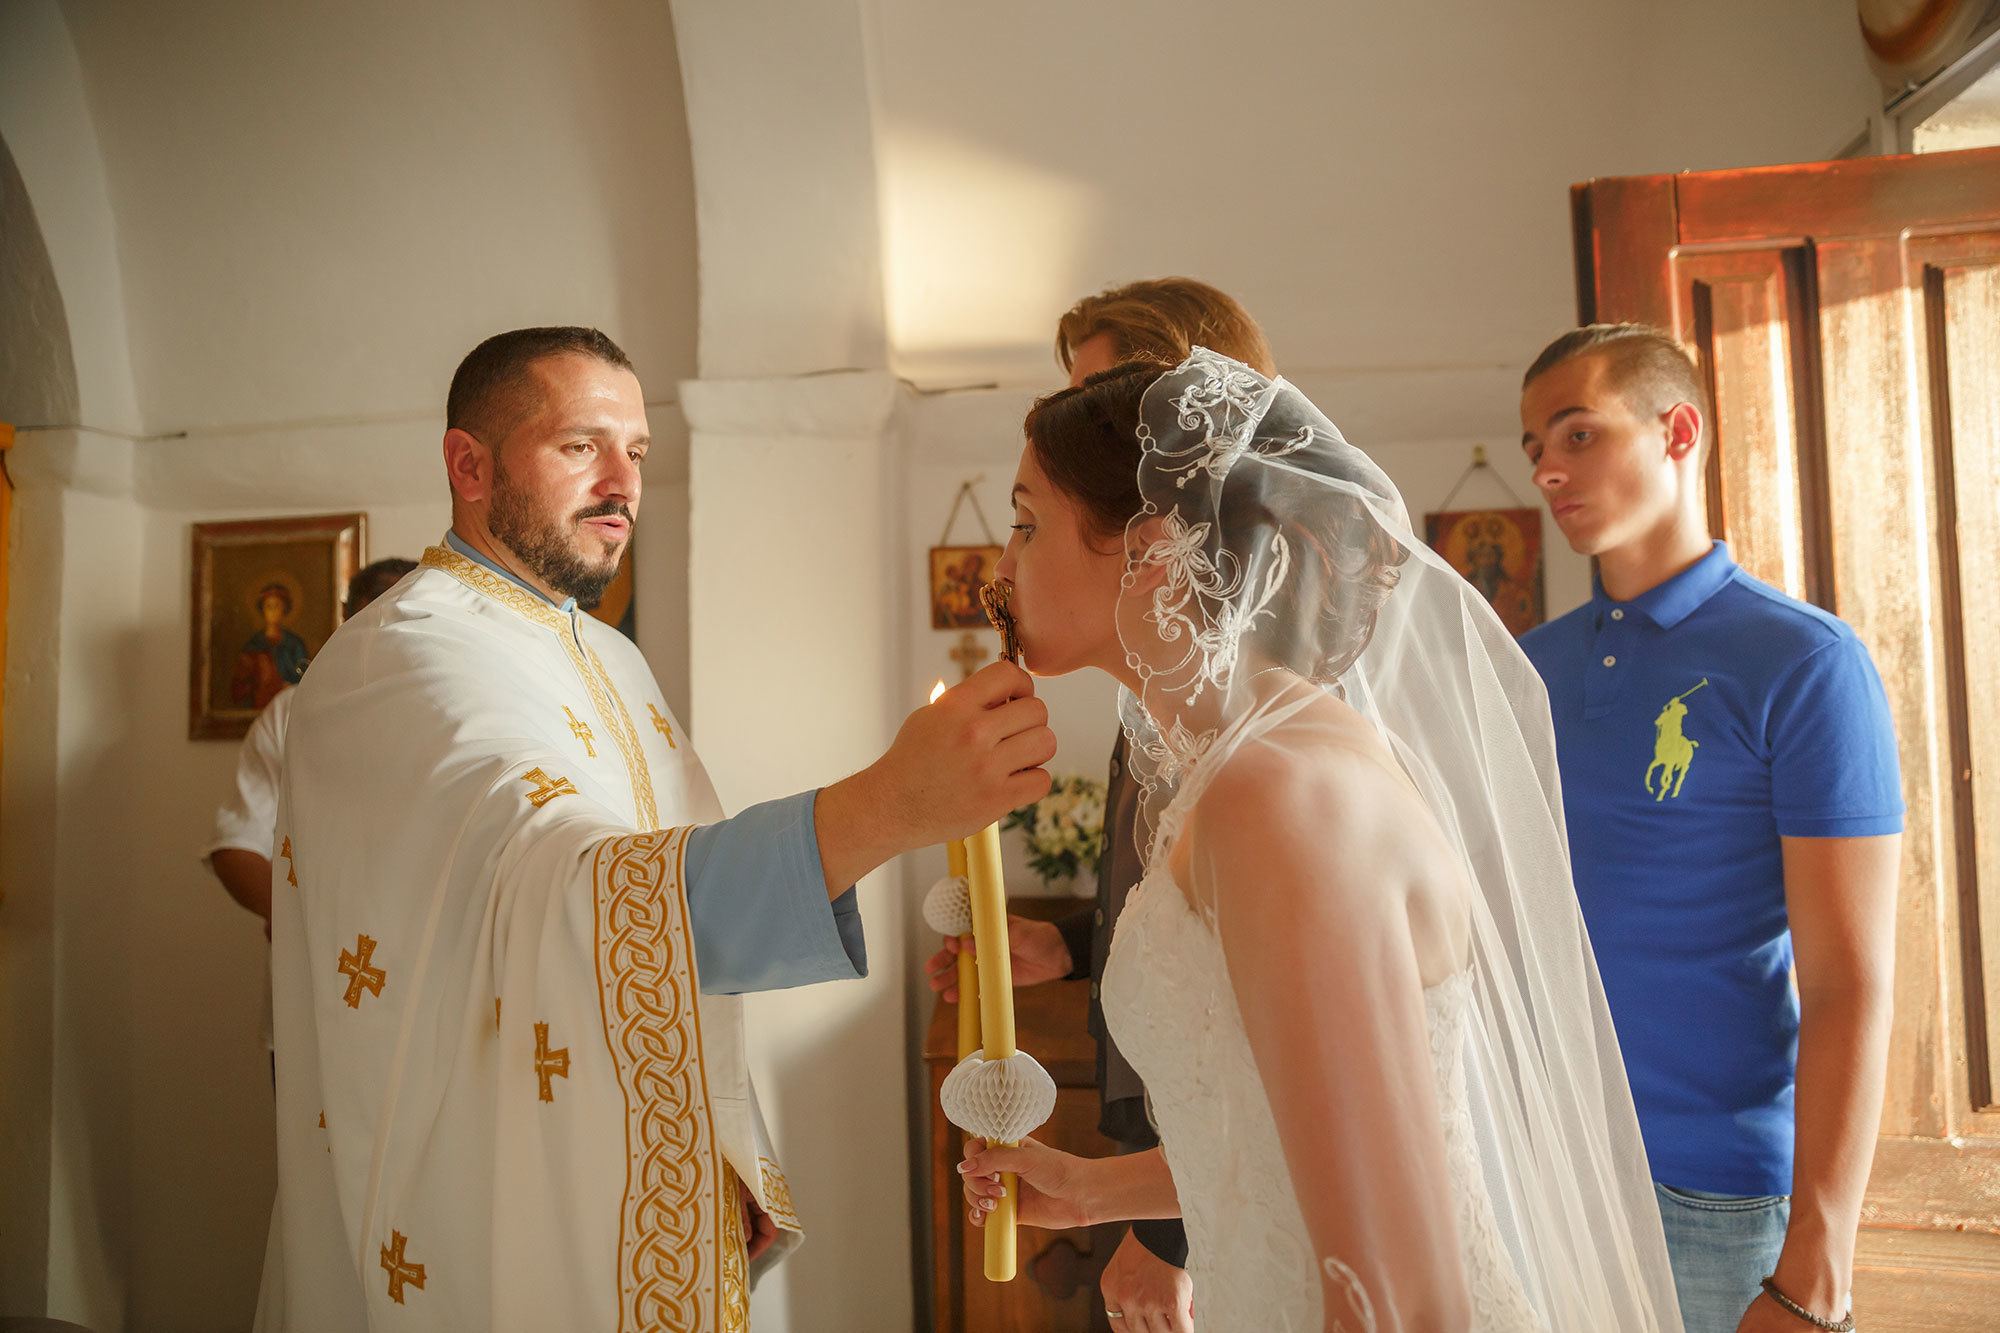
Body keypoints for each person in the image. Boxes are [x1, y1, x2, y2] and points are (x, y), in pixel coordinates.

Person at [254, 326, 1054, 1330]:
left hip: (616, 1163)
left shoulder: (609, 661)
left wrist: (720, 1150)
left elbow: (678, 940)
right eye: (579, 446)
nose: (621, 482)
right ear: (469, 463)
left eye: (636, 452)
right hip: (472, 1195)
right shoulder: (398, 658)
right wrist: (889, 804)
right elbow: (573, 889)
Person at [960, 350, 1682, 1331]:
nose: (1001, 564)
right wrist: (1091, 1190)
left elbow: (1399, 1294)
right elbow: (1299, 1148)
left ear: (1152, 548)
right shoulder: (1231, 770)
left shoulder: (1277, 795)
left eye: (1026, 521)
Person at [1517, 324, 1902, 1333]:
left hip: (1716, 1203)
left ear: (1675, 429)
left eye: (1576, 434)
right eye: (1533, 450)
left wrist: (1815, 1264)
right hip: (1540, 1175)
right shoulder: (1523, 668)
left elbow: (1845, 982)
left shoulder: (1801, 662)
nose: (1548, 470)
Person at [926, 277, 1273, 1330]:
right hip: (1171, 1166)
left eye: (1118, 404)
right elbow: (1184, 915)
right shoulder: (1157, 715)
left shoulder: (1268, 760)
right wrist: (1065, 944)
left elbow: (1301, 1109)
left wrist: (1155, 1229)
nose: (1002, 564)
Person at [205, 557, 417, 1066]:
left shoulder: (458, 710)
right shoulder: (292, 713)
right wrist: (293, 915)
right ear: (346, 617)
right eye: (369, 616)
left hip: (425, 1003)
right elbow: (236, 845)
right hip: (314, 1000)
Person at [231, 582, 314, 709]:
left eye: (277, 606)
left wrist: (288, 686)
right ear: (262, 609)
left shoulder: (295, 644)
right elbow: (241, 684)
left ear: (284, 609)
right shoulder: (254, 644)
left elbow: (305, 678)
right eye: (269, 606)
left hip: (289, 706)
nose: (273, 611)